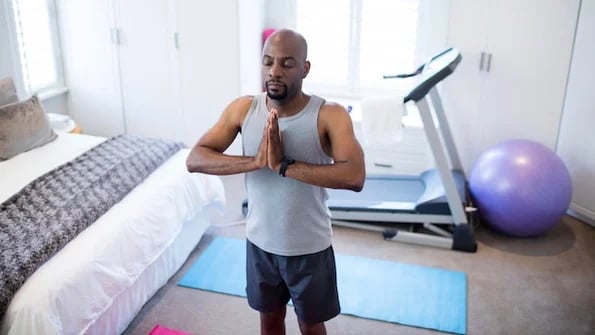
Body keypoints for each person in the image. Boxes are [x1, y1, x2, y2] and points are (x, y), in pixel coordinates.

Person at [186, 28, 365, 335]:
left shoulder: (329, 115)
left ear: (305, 68)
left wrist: (284, 165)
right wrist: (255, 162)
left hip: (308, 247)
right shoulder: (244, 109)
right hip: (260, 244)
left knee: (311, 325)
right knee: (269, 321)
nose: (274, 72)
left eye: (287, 63)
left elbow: (354, 176)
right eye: (268, 62)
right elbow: (195, 158)